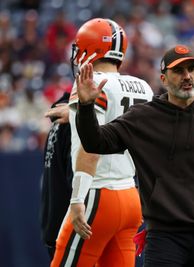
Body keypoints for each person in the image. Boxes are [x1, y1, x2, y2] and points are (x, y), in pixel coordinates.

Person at [73, 44, 194, 267]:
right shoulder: (143, 117)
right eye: (179, 71)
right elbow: (95, 142)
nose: (187, 76)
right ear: (163, 79)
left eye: (192, 69)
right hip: (165, 235)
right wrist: (86, 108)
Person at [51, 18, 153, 267]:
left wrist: (77, 200)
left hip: (97, 194)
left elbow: (90, 145)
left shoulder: (90, 84)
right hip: (130, 195)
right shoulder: (143, 87)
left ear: (89, 48)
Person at [40, 92, 73, 260]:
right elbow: (75, 180)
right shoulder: (74, 123)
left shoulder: (60, 118)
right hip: (72, 227)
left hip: (54, 222)